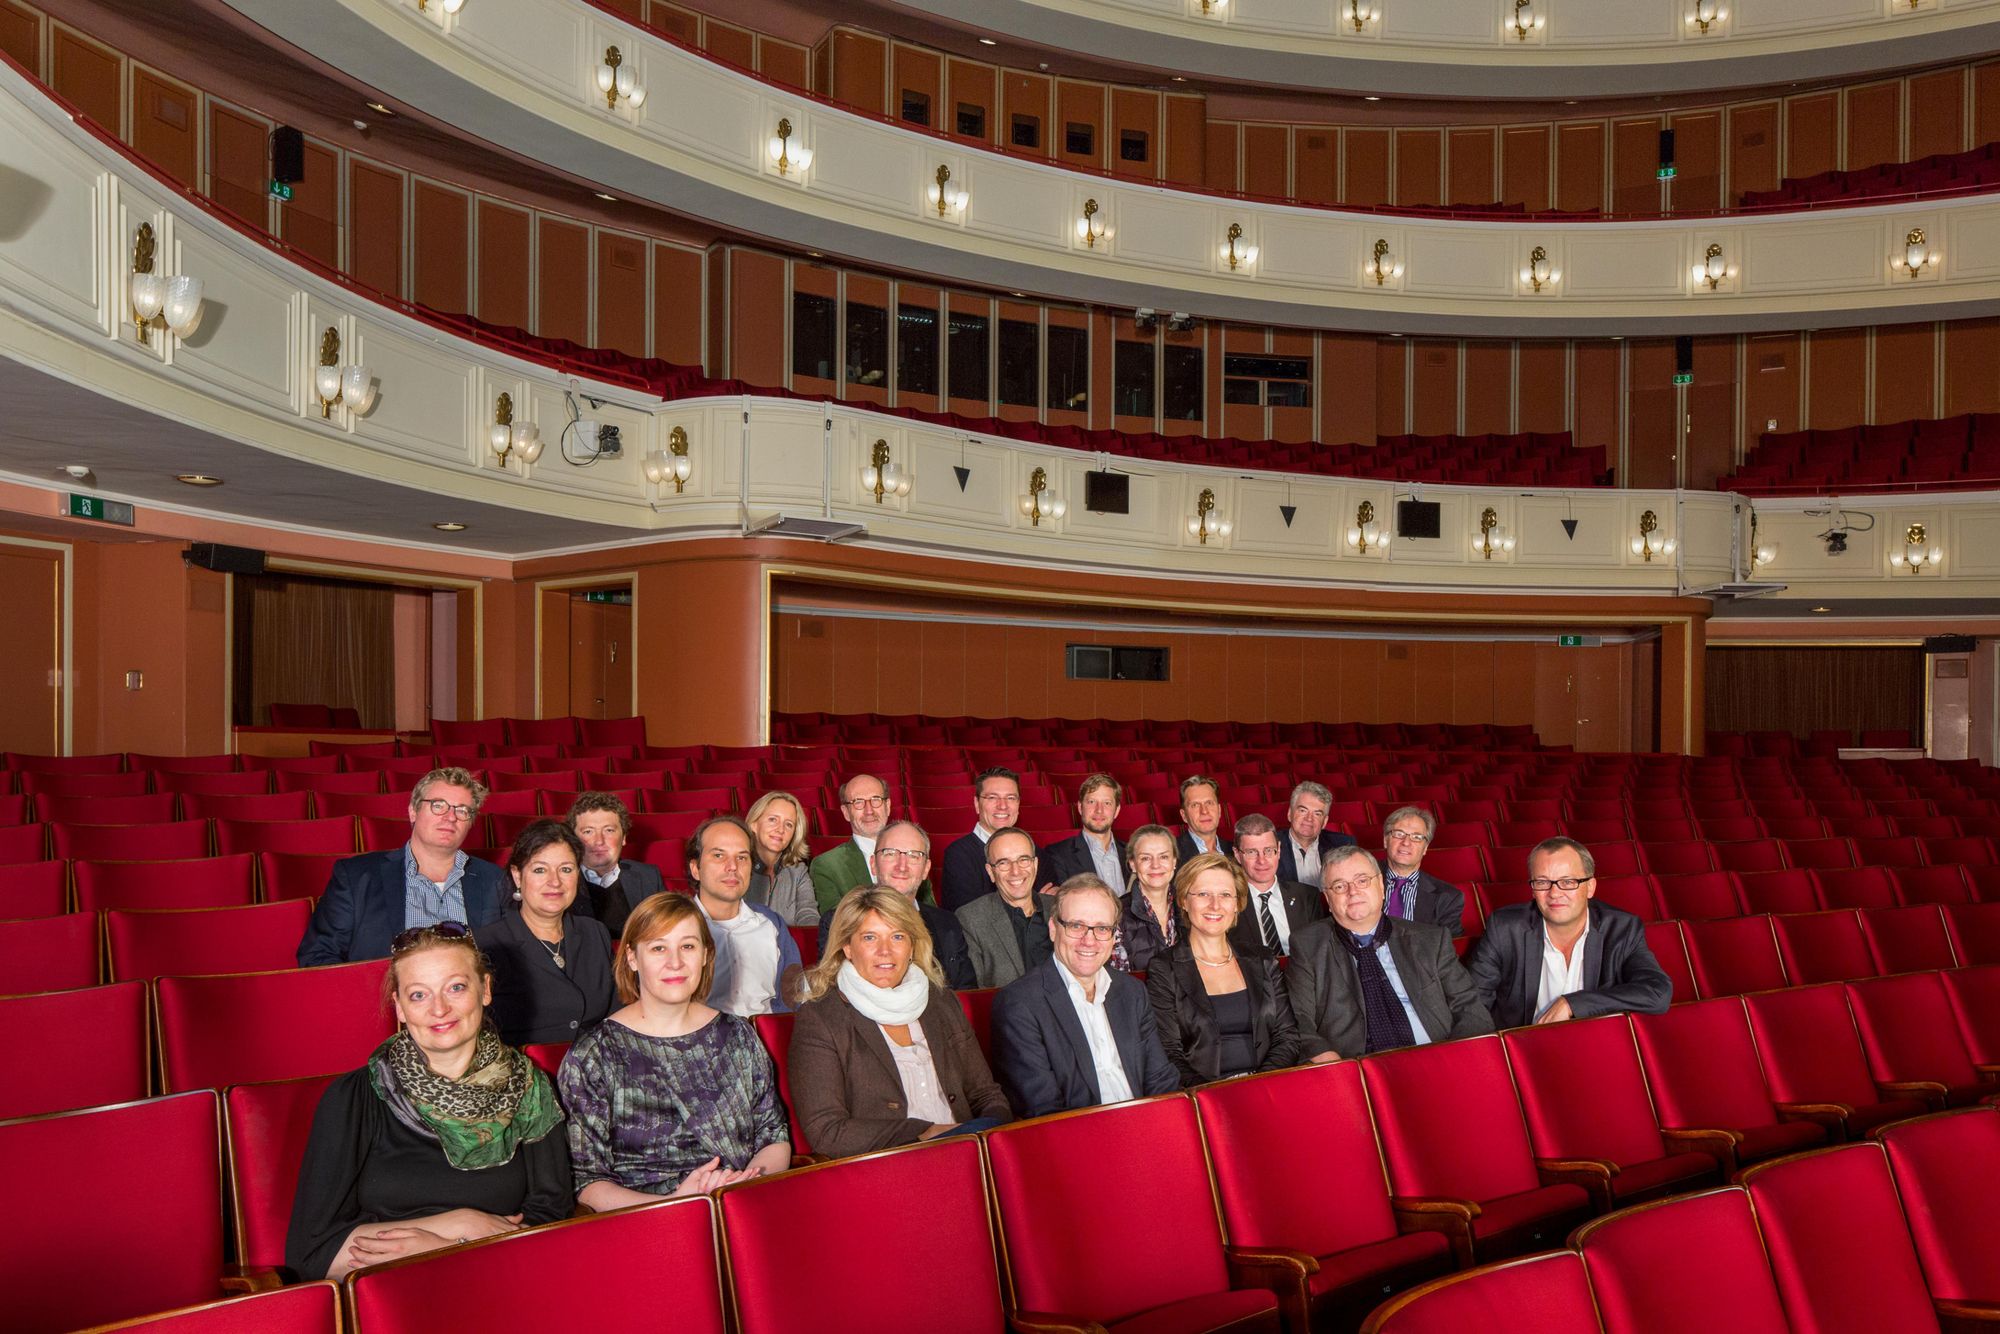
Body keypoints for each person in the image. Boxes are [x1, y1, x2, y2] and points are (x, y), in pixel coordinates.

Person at [286, 923, 571, 1279]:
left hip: (504, 1279)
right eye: (419, 995)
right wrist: (458, 1228)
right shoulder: (353, 1099)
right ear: (400, 1008)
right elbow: (312, 1251)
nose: (439, 1009)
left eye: (456, 987)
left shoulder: (531, 1088)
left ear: (485, 989)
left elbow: (551, 1221)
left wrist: (453, 1247)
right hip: (393, 1294)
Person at [558, 893, 792, 1208]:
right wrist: (677, 1205)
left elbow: (774, 1136)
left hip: (744, 1207)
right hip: (647, 1225)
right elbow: (587, 1181)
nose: (675, 962)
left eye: (688, 946)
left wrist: (743, 1185)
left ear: (707, 954)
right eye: (658, 948)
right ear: (631, 958)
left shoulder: (738, 1035)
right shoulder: (594, 1054)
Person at [789, 888, 1012, 1158]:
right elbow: (827, 1131)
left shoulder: (941, 1002)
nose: (885, 951)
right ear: (847, 947)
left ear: (912, 945)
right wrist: (924, 1132)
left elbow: (987, 1095)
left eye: (897, 936)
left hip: (967, 1152)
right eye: (870, 937)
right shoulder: (821, 1018)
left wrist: (991, 1135)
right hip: (887, 1168)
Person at [989, 874, 1180, 1117]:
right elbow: (1043, 1110)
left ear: (1113, 936)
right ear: (1053, 929)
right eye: (1076, 926)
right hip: (1079, 1141)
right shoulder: (1019, 1004)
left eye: (1101, 928)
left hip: (1145, 1128)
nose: (1088, 941)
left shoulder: (1132, 992)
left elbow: (1161, 1080)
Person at [1288, 847, 1493, 1061]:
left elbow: (1470, 1007)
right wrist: (1323, 1056)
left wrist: (1454, 1057)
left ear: (1381, 886)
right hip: (1357, 1068)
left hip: (1437, 1054)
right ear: (1328, 900)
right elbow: (1298, 1018)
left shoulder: (1430, 940)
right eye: (1339, 886)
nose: (1353, 891)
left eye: (1362, 880)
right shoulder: (1307, 946)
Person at [298, 768, 505, 966]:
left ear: (470, 822)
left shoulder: (494, 879)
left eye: (462, 810)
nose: (450, 817)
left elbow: (510, 960)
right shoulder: (356, 876)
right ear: (413, 812)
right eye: (438, 805)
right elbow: (318, 956)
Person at [1467, 837, 1672, 1029]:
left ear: (1590, 887)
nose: (1554, 893)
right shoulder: (1504, 928)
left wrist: (1573, 1004)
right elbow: (1473, 1005)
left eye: (1568, 882)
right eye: (1542, 882)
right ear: (1532, 889)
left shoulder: (1621, 929)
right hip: (1524, 1049)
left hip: (1593, 1045)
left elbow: (1657, 992)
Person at [1145, 853, 1302, 1087]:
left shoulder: (1262, 958)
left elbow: (1287, 1037)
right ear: (1184, 901)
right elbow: (1169, 1053)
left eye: (1226, 895)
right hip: (1204, 1097)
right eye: (1203, 894)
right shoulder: (1163, 968)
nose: (1215, 905)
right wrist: (1218, 1095)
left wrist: (1259, 1085)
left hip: (1268, 1086)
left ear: (1237, 904)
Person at [473, 821, 616, 1047]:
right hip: (525, 1076)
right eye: (540, 869)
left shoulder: (595, 932)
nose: (555, 881)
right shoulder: (486, 945)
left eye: (566, 869)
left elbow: (618, 1014)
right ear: (518, 876)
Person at [815, 820, 975, 989]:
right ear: (873, 864)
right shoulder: (838, 921)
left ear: (926, 869)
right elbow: (835, 993)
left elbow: (965, 994)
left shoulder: (947, 923)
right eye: (890, 853)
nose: (902, 866)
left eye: (914, 855)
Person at [689, 816, 803, 1016]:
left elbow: (793, 1000)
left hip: (764, 1040)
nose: (732, 866)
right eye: (718, 856)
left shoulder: (771, 923)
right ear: (695, 869)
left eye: (742, 857)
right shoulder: (672, 926)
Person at [955, 827, 1054, 989]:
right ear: (991, 872)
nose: (1015, 871)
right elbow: (976, 994)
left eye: (1023, 860)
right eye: (1003, 863)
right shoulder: (971, 919)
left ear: (1035, 865)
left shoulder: (1062, 908)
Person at [566, 792, 667, 939]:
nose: (599, 841)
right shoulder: (562, 880)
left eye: (609, 830)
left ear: (624, 837)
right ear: (574, 839)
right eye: (588, 831)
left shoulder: (649, 877)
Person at [1230, 813, 1326, 960]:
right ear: (1237, 855)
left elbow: (1321, 952)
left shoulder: (1307, 896)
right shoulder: (1228, 903)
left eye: (1268, 850)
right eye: (1251, 852)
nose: (1261, 861)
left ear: (1279, 850)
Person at [939, 767, 1023, 911]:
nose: (1002, 806)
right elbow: (971, 917)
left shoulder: (1038, 854)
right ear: (977, 804)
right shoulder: (958, 856)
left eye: (1010, 798)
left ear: (1018, 804)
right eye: (992, 798)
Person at [809, 774, 894, 917]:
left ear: (888, 806)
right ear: (846, 813)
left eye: (875, 800)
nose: (869, 811)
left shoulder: (913, 855)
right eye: (858, 802)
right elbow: (836, 925)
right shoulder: (826, 866)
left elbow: (929, 915)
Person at [1378, 806, 1466, 938]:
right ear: (1385, 840)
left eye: (1417, 837)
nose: (1406, 842)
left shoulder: (1448, 897)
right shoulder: (1360, 879)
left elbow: (1449, 949)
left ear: (1425, 848)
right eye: (1399, 834)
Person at [1037, 773, 1128, 892]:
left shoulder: (1132, 853)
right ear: (1080, 807)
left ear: (1116, 810)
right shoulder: (1057, 854)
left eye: (1107, 803)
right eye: (1091, 802)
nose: (1099, 810)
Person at [744, 790, 820, 927]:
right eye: (773, 819)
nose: (780, 829)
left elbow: (808, 915)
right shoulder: (737, 867)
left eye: (789, 824)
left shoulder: (798, 872)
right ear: (754, 824)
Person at [1113, 824, 1179, 973]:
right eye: (1145, 858)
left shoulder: (1192, 905)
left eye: (1163, 856)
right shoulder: (1115, 914)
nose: (1155, 865)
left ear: (1174, 862)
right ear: (1133, 864)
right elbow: (1120, 983)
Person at [1276, 781, 1357, 887]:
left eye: (1317, 814)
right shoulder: (1270, 846)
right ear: (1289, 814)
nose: (1309, 819)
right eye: (1303, 811)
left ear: (1324, 822)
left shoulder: (1343, 846)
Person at [1175, 775, 1232, 863]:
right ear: (1184, 815)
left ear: (1219, 810)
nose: (1204, 811)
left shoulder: (1234, 851)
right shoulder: (1172, 853)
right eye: (1195, 805)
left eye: (1209, 803)